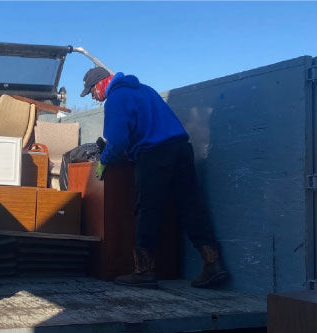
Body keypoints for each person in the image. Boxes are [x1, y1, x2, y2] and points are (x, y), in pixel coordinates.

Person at [80, 66, 228, 288]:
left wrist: (105, 159)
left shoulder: (116, 98)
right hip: (181, 149)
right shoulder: (145, 90)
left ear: (100, 83)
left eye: (91, 91)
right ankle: (212, 263)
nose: (93, 97)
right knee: (191, 206)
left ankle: (144, 271)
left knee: (147, 210)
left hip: (153, 155)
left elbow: (118, 142)